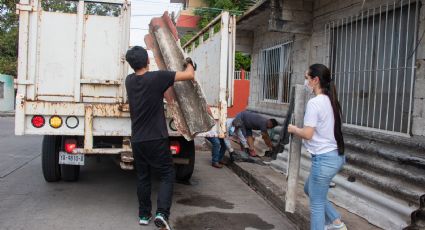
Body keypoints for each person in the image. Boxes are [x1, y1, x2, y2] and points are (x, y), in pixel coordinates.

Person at [125, 46, 195, 230]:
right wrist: (189, 63)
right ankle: (162, 214)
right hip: (156, 138)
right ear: (148, 60)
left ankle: (143, 215)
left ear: (131, 65)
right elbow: (189, 75)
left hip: (138, 139)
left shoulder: (129, 81)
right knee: (167, 174)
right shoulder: (158, 77)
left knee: (143, 176)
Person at [287, 64, 347, 230]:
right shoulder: (330, 100)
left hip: (325, 160)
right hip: (335, 157)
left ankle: (334, 224)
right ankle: (336, 222)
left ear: (315, 80)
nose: (305, 82)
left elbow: (307, 134)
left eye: (307, 78)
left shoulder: (315, 103)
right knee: (310, 190)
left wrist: (293, 129)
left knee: (317, 205)